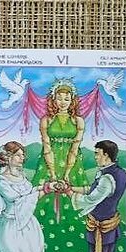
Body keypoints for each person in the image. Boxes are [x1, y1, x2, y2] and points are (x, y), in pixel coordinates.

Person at [71, 140, 126, 252]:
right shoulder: (119, 172)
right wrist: (71, 188)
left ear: (106, 155)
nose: (95, 157)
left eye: (97, 153)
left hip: (102, 225)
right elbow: (93, 190)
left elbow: (91, 199)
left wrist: (69, 194)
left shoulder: (107, 178)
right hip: (110, 221)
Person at [32, 79, 86, 222]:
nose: (63, 102)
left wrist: (67, 172)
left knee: (72, 195)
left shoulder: (78, 121)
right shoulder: (46, 120)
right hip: (49, 160)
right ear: (53, 99)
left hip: (72, 162)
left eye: (67, 99)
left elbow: (75, 148)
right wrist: (52, 173)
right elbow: (46, 146)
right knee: (45, 196)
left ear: (72, 101)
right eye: (59, 98)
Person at [0, 142, 46, 252]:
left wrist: (43, 188)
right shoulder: (1, 180)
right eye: (18, 155)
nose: (22, 158)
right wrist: (41, 192)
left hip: (26, 221)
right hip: (11, 224)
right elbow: (16, 200)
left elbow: (29, 193)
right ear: (8, 157)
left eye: (23, 155)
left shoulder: (22, 176)